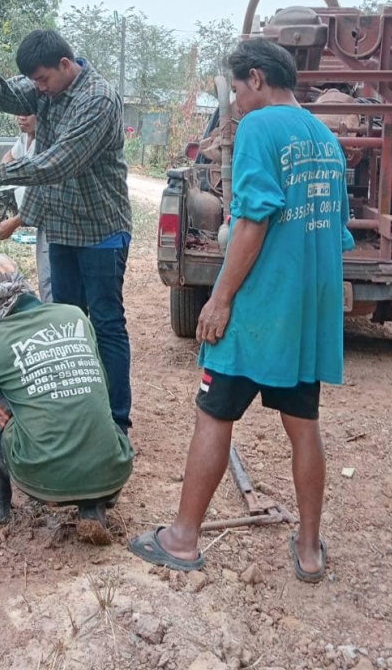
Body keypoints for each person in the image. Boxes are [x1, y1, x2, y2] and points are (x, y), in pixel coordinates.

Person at [129, 39, 354, 582]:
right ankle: (307, 549)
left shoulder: (258, 129)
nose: (235, 102)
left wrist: (220, 297)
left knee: (214, 414)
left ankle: (182, 540)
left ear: (256, 78)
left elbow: (252, 221)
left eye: (235, 89)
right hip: (303, 316)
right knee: (304, 426)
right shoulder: (327, 141)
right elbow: (335, 232)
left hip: (255, 311)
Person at [0, 30, 134, 432]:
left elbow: (60, 162)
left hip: (101, 229)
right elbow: (8, 96)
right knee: (67, 324)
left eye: (42, 79)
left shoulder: (97, 100)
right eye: (34, 81)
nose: (38, 88)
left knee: (105, 323)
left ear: (65, 65)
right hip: (62, 229)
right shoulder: (46, 89)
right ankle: (75, 410)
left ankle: (117, 421)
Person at [0, 255, 134, 543]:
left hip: (43, 477)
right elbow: (101, 386)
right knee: (84, 396)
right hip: (114, 468)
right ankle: (93, 505)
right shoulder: (74, 316)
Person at [0, 114, 52, 302]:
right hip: (41, 223)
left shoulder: (47, 142)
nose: (20, 118)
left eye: (27, 113)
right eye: (18, 113)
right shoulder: (25, 137)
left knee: (50, 280)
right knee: (46, 278)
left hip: (53, 221)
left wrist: (14, 223)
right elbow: (11, 156)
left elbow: (42, 193)